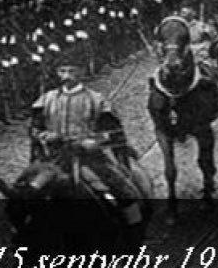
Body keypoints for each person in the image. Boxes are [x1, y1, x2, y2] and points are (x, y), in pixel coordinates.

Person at [29, 55, 143, 224]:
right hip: (54, 159)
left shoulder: (96, 100)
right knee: (28, 193)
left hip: (89, 159)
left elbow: (114, 133)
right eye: (62, 71)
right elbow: (34, 129)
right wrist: (44, 135)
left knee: (123, 191)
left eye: (72, 71)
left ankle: (134, 229)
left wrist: (95, 141)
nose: (67, 75)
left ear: (81, 72)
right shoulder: (46, 99)